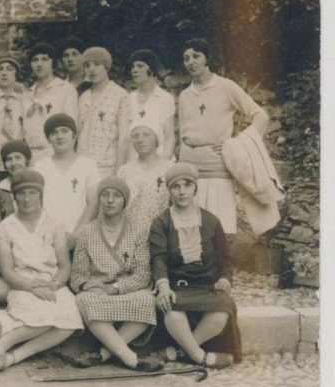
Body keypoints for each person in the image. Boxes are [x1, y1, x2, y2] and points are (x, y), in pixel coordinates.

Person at [0, 170, 82, 373]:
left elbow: (64, 266)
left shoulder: (54, 224)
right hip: (21, 283)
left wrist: (54, 284)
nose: (26, 199)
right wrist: (32, 287)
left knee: (71, 322)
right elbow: (7, 271)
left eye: (32, 193)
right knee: (44, 317)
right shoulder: (5, 228)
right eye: (21, 193)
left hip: (52, 283)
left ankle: (14, 357)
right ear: (14, 196)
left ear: (40, 195)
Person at [150, 162, 241, 369]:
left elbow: (226, 258)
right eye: (176, 186)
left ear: (195, 188)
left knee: (223, 310)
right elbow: (159, 257)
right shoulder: (161, 223)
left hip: (206, 287)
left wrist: (225, 279)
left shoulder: (211, 221)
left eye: (187, 185)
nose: (182, 192)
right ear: (170, 191)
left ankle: (182, 352)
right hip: (177, 286)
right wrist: (163, 285)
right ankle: (201, 357)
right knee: (170, 310)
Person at [177, 37, 269, 234]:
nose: (191, 62)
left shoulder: (226, 86)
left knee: (219, 231)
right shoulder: (184, 95)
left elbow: (261, 116)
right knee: (189, 231)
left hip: (217, 170)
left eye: (196, 56)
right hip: (188, 170)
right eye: (186, 58)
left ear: (207, 58)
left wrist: (237, 145)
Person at [70, 177, 162, 372]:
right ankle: (131, 359)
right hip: (97, 292)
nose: (110, 200)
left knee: (147, 300)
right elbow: (78, 276)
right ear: (99, 199)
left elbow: (143, 274)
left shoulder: (138, 229)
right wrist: (90, 286)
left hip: (125, 289)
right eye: (105, 195)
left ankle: (103, 354)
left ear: (124, 201)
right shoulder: (86, 232)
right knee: (84, 300)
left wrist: (113, 289)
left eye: (116, 196)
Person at [34, 113, 100, 243]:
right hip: (47, 237)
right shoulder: (40, 167)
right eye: (54, 133)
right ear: (48, 139)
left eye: (64, 131)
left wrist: (76, 235)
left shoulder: (88, 165)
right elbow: (37, 205)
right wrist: (54, 235)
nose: (59, 136)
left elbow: (94, 204)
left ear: (75, 135)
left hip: (80, 237)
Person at [22, 42, 79, 163]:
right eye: (35, 60)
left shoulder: (65, 89)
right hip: (30, 156)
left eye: (45, 59)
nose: (39, 64)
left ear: (53, 63)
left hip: (56, 154)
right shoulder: (27, 94)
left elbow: (72, 126)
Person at [77, 46, 129, 179]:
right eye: (87, 65)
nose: (92, 69)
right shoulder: (83, 97)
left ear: (106, 66)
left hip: (107, 167)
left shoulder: (120, 95)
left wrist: (119, 172)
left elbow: (123, 138)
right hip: (82, 165)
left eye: (97, 64)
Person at [116, 120, 171, 233]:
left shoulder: (169, 169)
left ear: (157, 139)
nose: (140, 140)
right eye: (135, 136)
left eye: (146, 135)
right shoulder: (124, 171)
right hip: (128, 235)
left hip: (159, 235)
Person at [122, 49, 176, 162]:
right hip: (134, 164)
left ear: (151, 70)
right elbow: (124, 138)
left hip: (159, 162)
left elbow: (169, 137)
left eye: (140, 66)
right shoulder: (127, 99)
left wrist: (163, 164)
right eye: (133, 67)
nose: (135, 70)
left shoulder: (165, 98)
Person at [0, 139, 32, 230]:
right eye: (8, 159)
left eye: (18, 157)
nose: (13, 163)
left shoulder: (40, 184)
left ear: (27, 160)